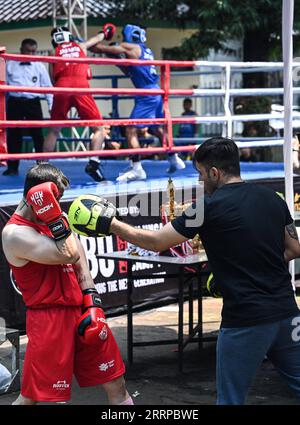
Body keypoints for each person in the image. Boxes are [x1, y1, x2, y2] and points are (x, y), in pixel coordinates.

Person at [70, 137, 300, 405]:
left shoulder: (206, 207)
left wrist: (111, 224)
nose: (200, 182)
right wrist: (254, 264)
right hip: (287, 313)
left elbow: (156, 242)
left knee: (230, 400)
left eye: (201, 174)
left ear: (214, 172)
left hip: (245, 319)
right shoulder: (273, 198)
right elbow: (294, 248)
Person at [1, 163, 133, 405]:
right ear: (37, 196)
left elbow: (79, 254)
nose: (58, 204)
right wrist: (54, 216)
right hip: (49, 320)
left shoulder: (55, 219)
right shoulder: (14, 234)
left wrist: (92, 299)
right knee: (44, 398)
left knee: (116, 382)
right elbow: (68, 253)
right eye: (55, 197)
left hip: (83, 309)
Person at [88, 24, 186, 182]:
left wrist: (89, 42)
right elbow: (131, 71)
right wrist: (118, 61)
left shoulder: (129, 46)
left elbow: (99, 50)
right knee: (157, 128)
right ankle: (173, 158)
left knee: (130, 130)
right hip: (156, 92)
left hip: (146, 94)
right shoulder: (147, 51)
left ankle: (137, 168)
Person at [43, 25, 116, 183]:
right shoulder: (80, 46)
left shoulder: (52, 52)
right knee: (99, 128)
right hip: (81, 85)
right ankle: (94, 163)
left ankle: (42, 167)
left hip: (61, 86)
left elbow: (52, 79)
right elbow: (97, 38)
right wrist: (105, 31)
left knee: (54, 130)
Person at [3, 38, 53, 176]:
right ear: (21, 50)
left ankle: (42, 168)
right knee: (14, 136)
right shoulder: (10, 64)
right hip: (15, 102)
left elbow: (47, 87)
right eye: (28, 51)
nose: (30, 54)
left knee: (37, 135)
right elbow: (3, 86)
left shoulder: (39, 66)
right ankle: (12, 167)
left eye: (33, 51)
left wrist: (51, 105)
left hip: (33, 102)